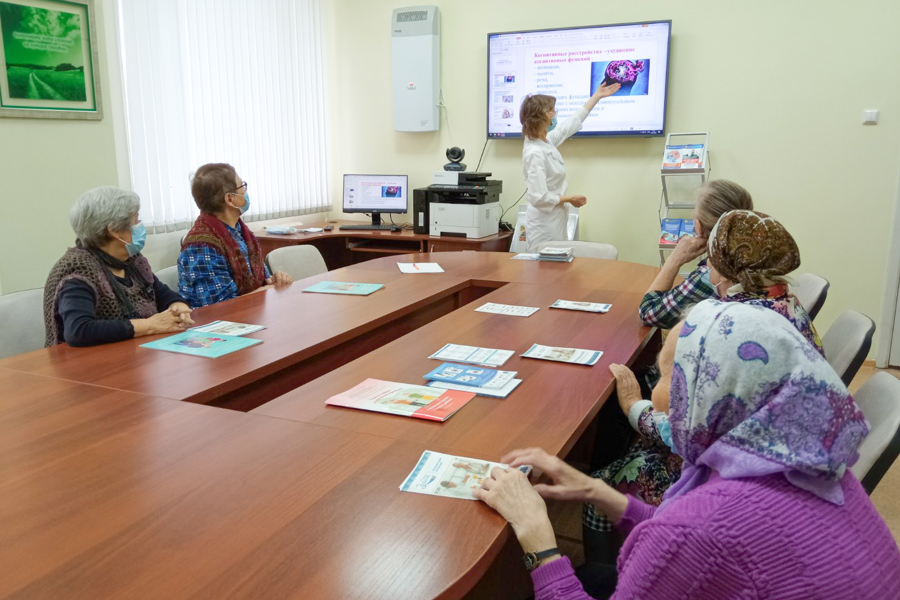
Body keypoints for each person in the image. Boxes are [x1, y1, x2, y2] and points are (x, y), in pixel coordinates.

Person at [475, 301, 900, 600]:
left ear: (705, 394)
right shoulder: (807, 462)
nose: (655, 394)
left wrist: (537, 536)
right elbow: (695, 536)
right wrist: (593, 489)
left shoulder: (699, 529)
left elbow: (693, 535)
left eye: (662, 378)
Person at [583, 208, 823, 563]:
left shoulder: (724, 329)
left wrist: (635, 407)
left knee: (598, 487)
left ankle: (608, 579)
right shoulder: (787, 303)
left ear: (722, 268)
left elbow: (688, 434)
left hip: (734, 482)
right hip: (784, 465)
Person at [44, 187, 194, 347]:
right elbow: (79, 330)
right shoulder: (77, 270)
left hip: (135, 354)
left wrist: (178, 308)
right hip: (85, 364)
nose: (140, 227)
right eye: (136, 221)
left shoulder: (132, 260)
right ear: (114, 230)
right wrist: (150, 325)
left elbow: (163, 294)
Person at [520, 81, 620, 252]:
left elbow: (570, 124)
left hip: (555, 219)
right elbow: (539, 197)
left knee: (557, 267)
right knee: (545, 270)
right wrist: (569, 199)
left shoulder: (545, 142)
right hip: (543, 225)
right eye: (551, 110)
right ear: (540, 117)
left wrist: (596, 96)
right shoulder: (534, 152)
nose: (555, 114)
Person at [639, 179, 753, 328]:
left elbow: (649, 312)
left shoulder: (712, 276)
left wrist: (674, 260)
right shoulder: (762, 259)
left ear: (698, 227)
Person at [178, 163, 293, 308]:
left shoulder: (239, 231)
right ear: (230, 199)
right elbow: (220, 306)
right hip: (214, 325)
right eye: (242, 186)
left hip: (251, 315)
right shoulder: (201, 246)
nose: (245, 191)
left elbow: (262, 280)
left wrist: (275, 280)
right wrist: (268, 291)